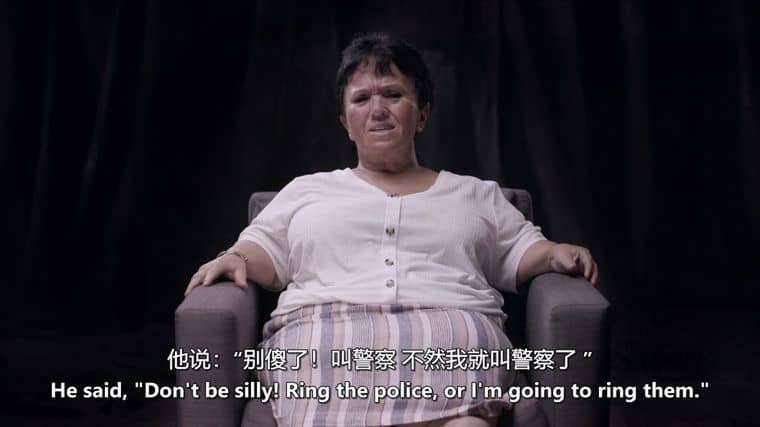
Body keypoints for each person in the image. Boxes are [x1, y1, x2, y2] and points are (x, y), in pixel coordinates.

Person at [186, 32, 597, 427]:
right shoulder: (306, 190)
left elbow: (523, 250)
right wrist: (236, 257)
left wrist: (553, 252)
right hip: (325, 336)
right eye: (361, 98)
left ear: (423, 113)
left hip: (453, 334)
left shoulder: (476, 194)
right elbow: (262, 247)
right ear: (346, 122)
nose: (378, 109)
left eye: (393, 94)